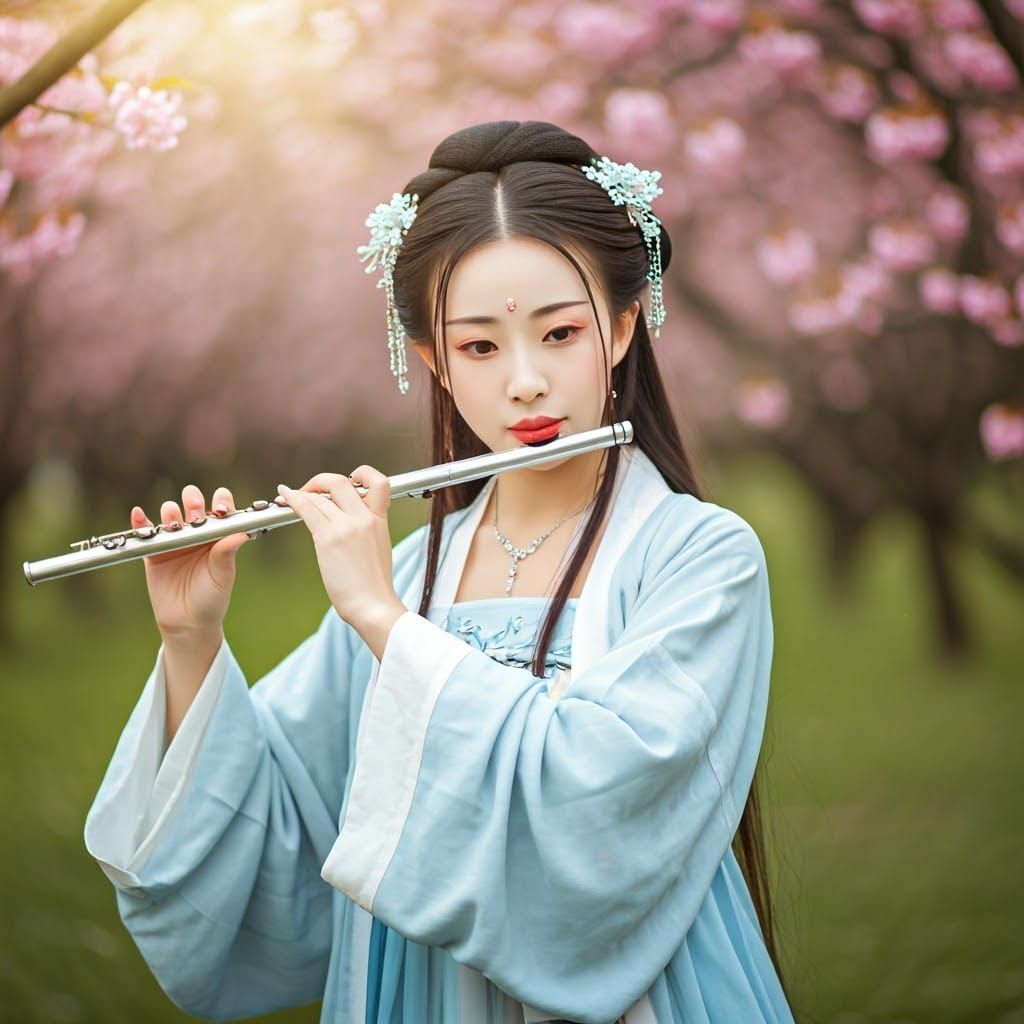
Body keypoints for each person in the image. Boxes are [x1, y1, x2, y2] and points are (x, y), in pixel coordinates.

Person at [84, 120, 796, 1024]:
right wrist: (191, 638)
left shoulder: (700, 557)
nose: (528, 382)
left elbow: (602, 802)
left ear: (621, 328)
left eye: (561, 332)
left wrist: (386, 623)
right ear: (432, 360)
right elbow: (288, 819)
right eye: (481, 348)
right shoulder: (417, 568)